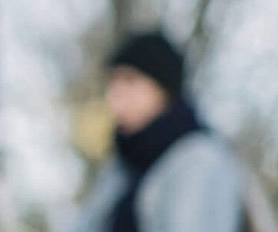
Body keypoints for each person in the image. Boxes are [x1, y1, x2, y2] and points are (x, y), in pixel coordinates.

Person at [71, 31, 247, 232]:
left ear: (162, 88)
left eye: (130, 81)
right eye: (112, 83)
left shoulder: (200, 159)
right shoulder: (124, 162)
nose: (116, 96)